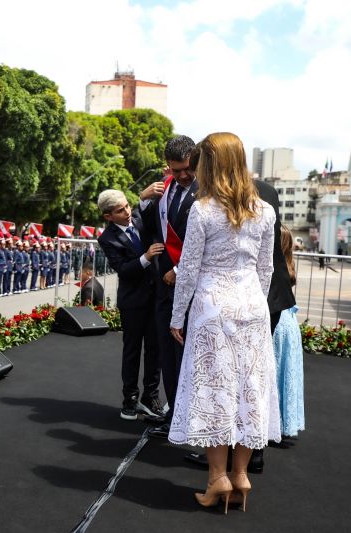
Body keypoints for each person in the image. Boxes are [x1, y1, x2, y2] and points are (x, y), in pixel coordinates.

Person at [168, 132, 280, 513]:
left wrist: (176, 314)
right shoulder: (266, 211)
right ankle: (241, 475)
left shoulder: (201, 210)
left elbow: (189, 270)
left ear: (211, 165)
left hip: (213, 308)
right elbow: (266, 269)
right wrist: (254, 305)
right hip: (252, 307)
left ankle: (217, 477)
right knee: (249, 388)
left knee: (214, 390)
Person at [138, 135, 199, 435]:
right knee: (166, 353)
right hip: (163, 286)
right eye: (176, 170)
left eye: (187, 168)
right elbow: (146, 227)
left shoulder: (206, 192)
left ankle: (192, 418)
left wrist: (179, 268)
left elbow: (205, 242)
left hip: (192, 286)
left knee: (187, 353)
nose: (183, 175)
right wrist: (142, 198)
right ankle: (175, 414)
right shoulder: (164, 190)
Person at [97, 188, 166, 421]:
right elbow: (124, 270)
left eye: (127, 206)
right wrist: (146, 257)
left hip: (155, 297)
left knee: (154, 350)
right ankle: (130, 399)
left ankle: (151, 396)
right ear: (108, 216)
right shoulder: (107, 238)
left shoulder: (138, 217)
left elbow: (155, 209)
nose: (127, 212)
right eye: (120, 210)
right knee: (132, 352)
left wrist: (142, 197)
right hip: (133, 302)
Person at [273, 225, 305, 439]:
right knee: (286, 372)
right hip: (290, 323)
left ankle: (272, 422)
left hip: (278, 323)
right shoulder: (289, 265)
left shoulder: (275, 268)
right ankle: (285, 421)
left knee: (273, 372)